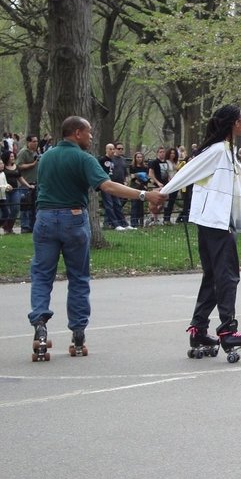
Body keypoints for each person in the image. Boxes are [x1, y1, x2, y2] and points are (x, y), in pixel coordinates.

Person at [28, 116, 166, 360]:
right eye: (89, 132)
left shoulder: (46, 157)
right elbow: (109, 187)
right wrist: (145, 195)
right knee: (78, 277)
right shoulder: (84, 159)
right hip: (73, 218)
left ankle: (40, 326)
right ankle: (78, 333)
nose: (92, 137)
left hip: (46, 218)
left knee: (41, 274)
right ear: (78, 132)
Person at [161, 105, 241, 357]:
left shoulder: (227, 152)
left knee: (213, 277)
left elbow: (239, 190)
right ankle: (227, 330)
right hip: (215, 223)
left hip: (218, 222)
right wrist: (161, 194)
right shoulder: (217, 151)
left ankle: (198, 329)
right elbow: (187, 172)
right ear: (232, 124)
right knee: (227, 276)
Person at [99, 143, 129, 230]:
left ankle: (124, 223)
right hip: (105, 185)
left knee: (117, 204)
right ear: (106, 150)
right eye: (110, 149)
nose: (112, 151)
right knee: (109, 204)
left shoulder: (113, 160)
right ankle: (115, 224)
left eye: (113, 149)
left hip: (113, 185)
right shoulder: (102, 160)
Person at [1, 151, 33, 234]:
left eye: (13, 156)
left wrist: (28, 185)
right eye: (11, 157)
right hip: (4, 191)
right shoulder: (2, 167)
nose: (13, 158)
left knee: (15, 209)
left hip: (15, 190)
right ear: (7, 158)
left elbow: (20, 178)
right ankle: (5, 227)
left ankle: (9, 227)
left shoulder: (16, 167)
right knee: (6, 210)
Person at [16, 134, 40, 233]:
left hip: (36, 182)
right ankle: (25, 227)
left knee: (35, 205)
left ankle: (33, 226)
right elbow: (19, 166)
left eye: (36, 141)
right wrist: (32, 164)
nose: (36, 143)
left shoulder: (36, 151)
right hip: (26, 183)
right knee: (25, 206)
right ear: (28, 142)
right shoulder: (23, 152)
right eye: (34, 141)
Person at [148, 146, 169, 225]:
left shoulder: (166, 162)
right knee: (155, 202)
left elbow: (168, 173)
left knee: (163, 203)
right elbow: (150, 174)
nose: (162, 153)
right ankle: (153, 218)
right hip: (156, 185)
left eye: (163, 152)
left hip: (165, 185)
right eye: (160, 152)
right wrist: (157, 182)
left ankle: (157, 218)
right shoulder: (154, 162)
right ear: (157, 153)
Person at [129, 152, 150, 228]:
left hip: (143, 188)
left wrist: (145, 185)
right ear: (135, 158)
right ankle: (134, 223)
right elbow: (133, 178)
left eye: (140, 157)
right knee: (134, 205)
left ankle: (141, 222)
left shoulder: (145, 167)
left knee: (141, 205)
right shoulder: (132, 167)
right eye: (137, 157)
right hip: (135, 187)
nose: (139, 159)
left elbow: (147, 178)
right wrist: (140, 184)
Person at [163, 147, 179, 223]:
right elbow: (165, 173)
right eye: (171, 153)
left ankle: (168, 218)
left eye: (174, 153)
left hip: (176, 184)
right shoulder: (166, 162)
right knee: (167, 201)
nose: (172, 155)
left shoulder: (176, 162)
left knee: (172, 201)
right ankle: (165, 218)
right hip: (169, 183)